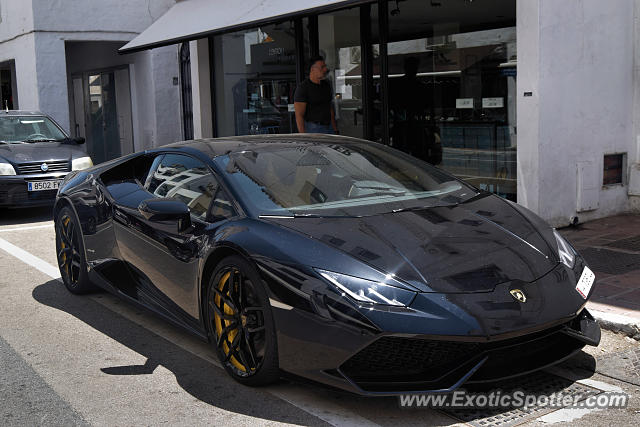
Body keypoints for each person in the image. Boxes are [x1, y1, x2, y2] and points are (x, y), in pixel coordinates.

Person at [294, 56, 338, 134]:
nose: (325, 69)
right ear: (312, 69)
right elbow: (299, 115)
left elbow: (329, 108)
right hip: (313, 129)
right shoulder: (303, 87)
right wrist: (303, 136)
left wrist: (335, 129)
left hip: (329, 127)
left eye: (325, 66)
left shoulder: (326, 85)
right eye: (322, 67)